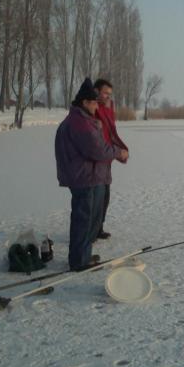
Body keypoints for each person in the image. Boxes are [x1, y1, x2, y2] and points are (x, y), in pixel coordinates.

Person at [55, 78, 129, 271]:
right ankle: (79, 261)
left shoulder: (82, 119)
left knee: (88, 220)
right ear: (85, 102)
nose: (98, 106)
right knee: (84, 220)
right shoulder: (80, 122)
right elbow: (97, 150)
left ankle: (83, 256)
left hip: (88, 176)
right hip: (84, 178)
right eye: (95, 102)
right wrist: (118, 152)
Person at [93, 78, 129, 240]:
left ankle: (98, 228)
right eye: (105, 93)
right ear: (96, 91)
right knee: (96, 197)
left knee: (105, 197)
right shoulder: (91, 106)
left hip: (108, 156)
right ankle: (91, 231)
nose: (108, 97)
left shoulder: (108, 107)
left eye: (110, 94)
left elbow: (111, 130)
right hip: (96, 158)